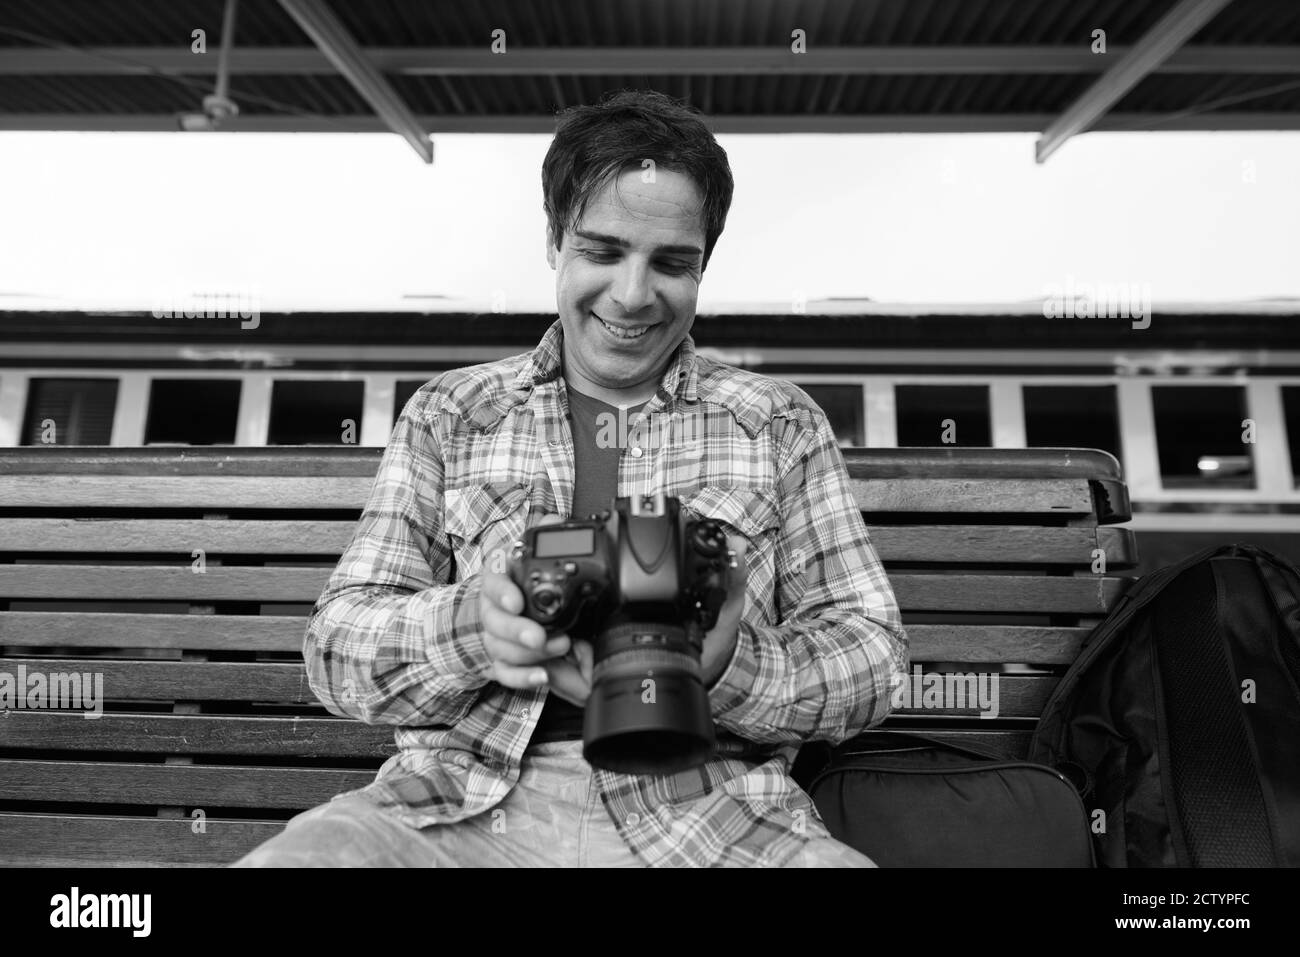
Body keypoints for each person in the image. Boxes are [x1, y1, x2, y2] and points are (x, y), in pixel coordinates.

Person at [233, 89, 908, 868]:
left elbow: (874, 657)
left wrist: (729, 665)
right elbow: (336, 652)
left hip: (711, 816)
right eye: (602, 250)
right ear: (555, 240)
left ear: (703, 268)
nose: (632, 293)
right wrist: (475, 628)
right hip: (455, 810)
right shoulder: (453, 413)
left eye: (671, 262)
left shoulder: (777, 421)